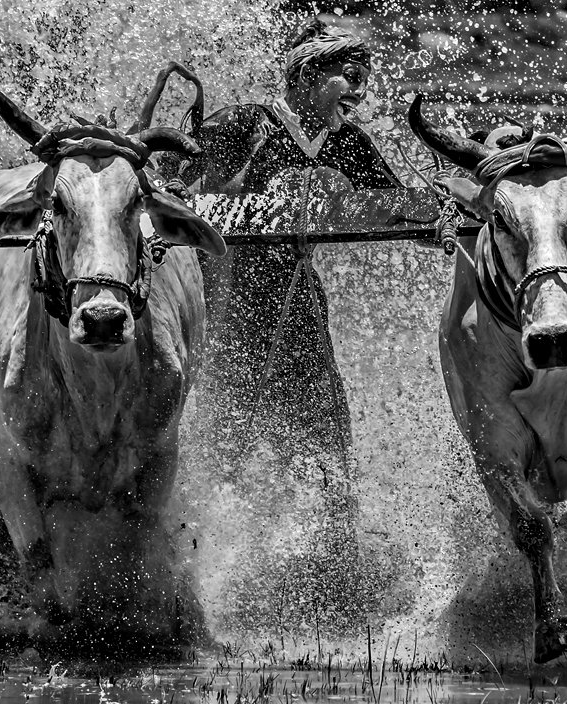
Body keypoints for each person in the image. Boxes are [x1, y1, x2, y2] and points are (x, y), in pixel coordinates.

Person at [186, 17, 401, 486]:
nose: (359, 94)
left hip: (298, 294)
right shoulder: (240, 123)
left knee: (327, 427)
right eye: (351, 78)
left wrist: (456, 208)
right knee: (227, 425)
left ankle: (336, 534)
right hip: (227, 299)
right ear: (307, 76)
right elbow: (177, 197)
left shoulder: (347, 141)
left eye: (365, 82)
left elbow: (398, 207)